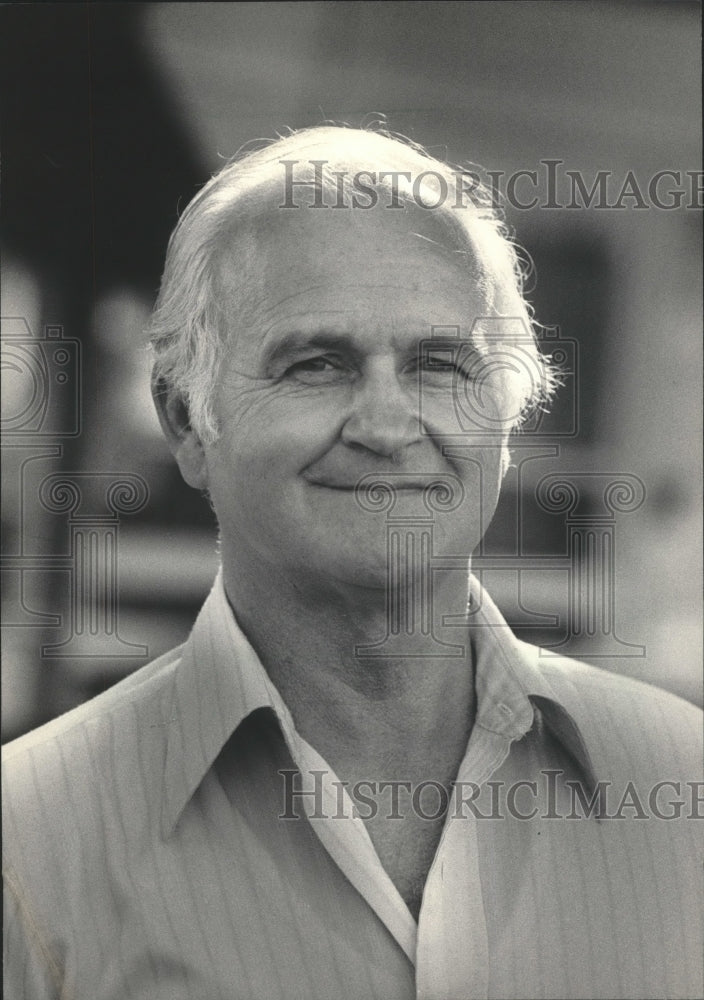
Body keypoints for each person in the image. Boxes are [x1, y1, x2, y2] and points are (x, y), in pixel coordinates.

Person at [3, 126, 702, 1000]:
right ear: (186, 419)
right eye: (317, 364)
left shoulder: (684, 784)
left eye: (441, 364)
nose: (386, 424)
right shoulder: (27, 842)